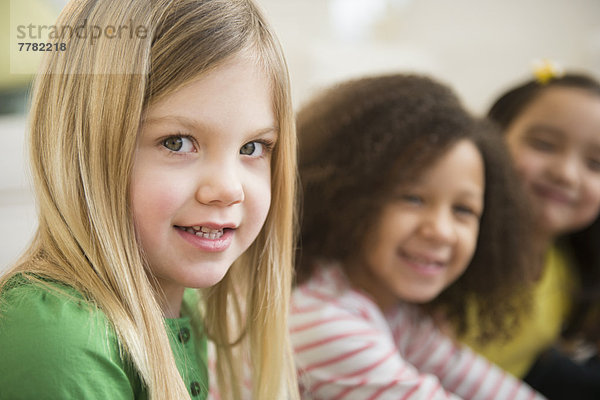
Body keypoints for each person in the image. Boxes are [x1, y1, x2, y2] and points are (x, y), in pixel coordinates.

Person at [0, 1, 299, 399]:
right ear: (83, 150)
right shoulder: (59, 339)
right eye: (177, 143)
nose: (229, 189)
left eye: (253, 147)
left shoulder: (184, 304)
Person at [290, 74, 545, 399]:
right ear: (347, 197)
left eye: (463, 210)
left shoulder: (398, 314)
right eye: (412, 198)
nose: (440, 231)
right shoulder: (322, 321)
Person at [461, 69, 600, 399]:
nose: (565, 173)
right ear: (490, 139)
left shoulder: (572, 271)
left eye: (595, 164)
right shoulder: (448, 250)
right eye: (544, 145)